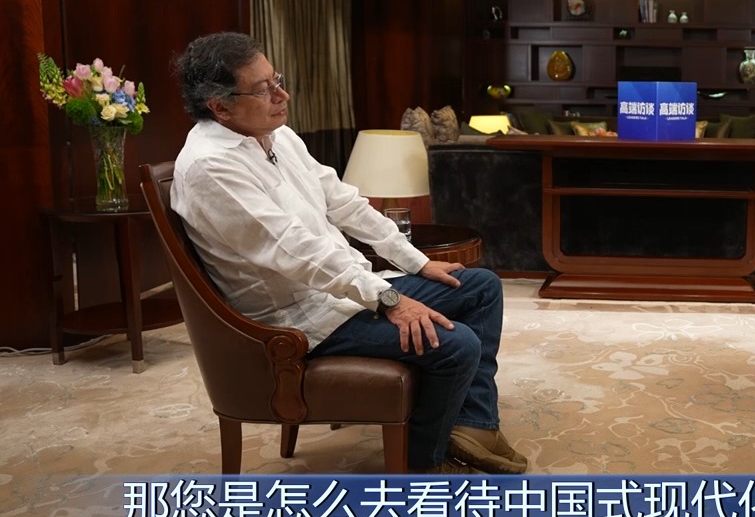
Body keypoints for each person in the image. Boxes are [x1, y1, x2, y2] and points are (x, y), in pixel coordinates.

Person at [171, 32, 525, 475]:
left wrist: (415, 261)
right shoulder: (211, 166)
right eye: (263, 90)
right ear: (220, 107)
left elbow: (342, 202)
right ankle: (421, 468)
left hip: (338, 295)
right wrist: (390, 300)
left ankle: (472, 426)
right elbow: (297, 251)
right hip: (296, 319)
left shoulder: (276, 135)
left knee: (481, 287)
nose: (282, 95)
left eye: (277, 80)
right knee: (456, 345)